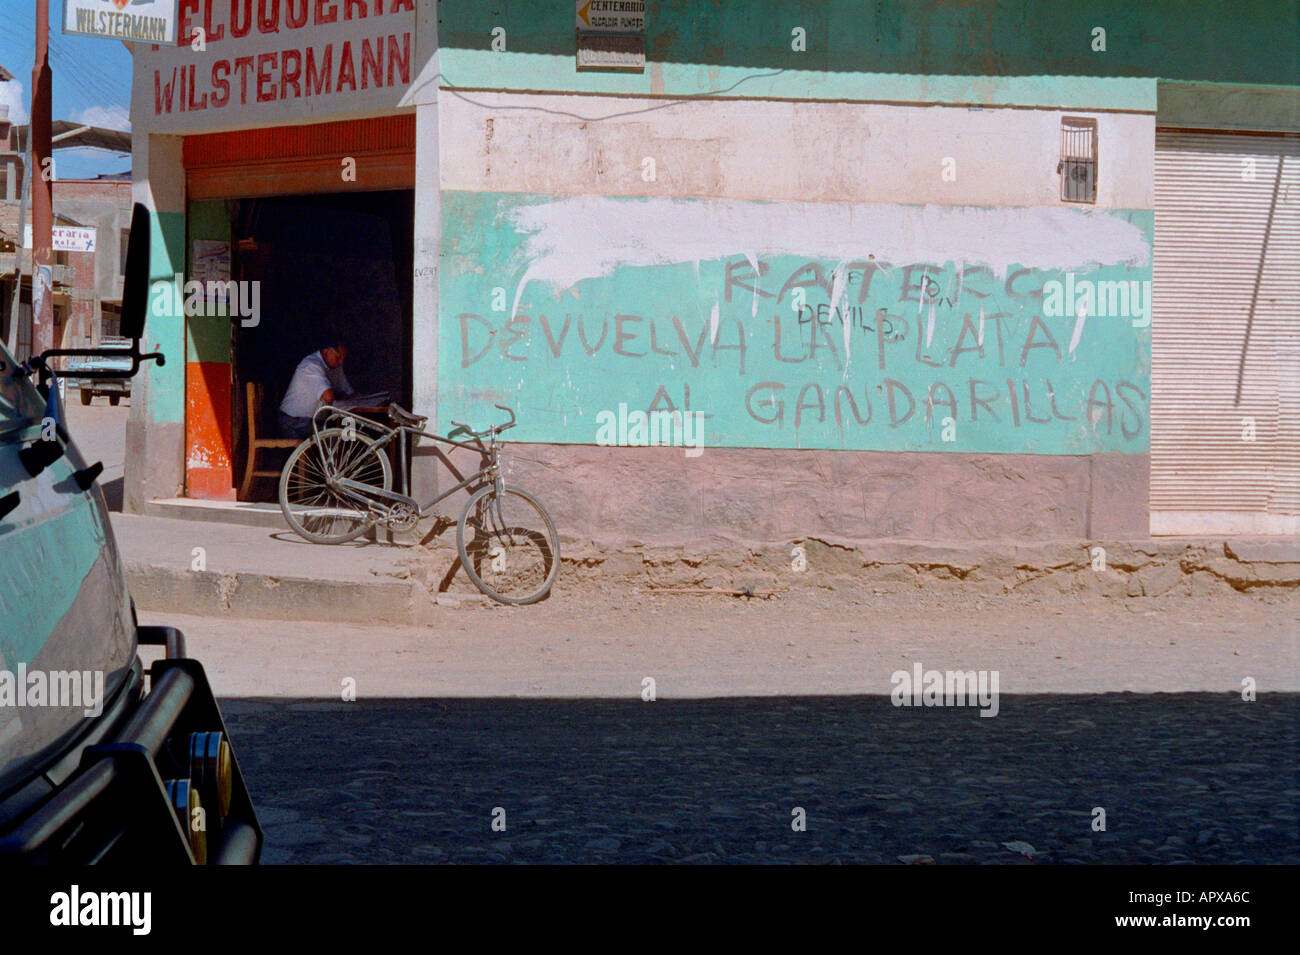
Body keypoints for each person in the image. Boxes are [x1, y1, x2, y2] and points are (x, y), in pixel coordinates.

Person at [278, 342, 354, 438]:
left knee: (347, 431)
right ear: (326, 352)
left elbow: (348, 392)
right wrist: (340, 395)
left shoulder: (335, 367)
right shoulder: (311, 365)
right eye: (338, 357)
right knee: (334, 439)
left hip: (313, 420)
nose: (341, 362)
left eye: (343, 358)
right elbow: (329, 397)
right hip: (294, 421)